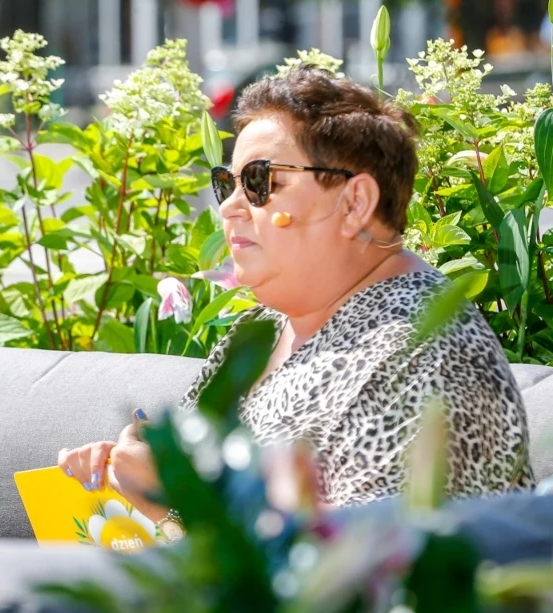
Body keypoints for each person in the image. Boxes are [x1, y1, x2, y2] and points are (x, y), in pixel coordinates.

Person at [59, 67, 534, 522]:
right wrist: (128, 469)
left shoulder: (426, 351)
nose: (229, 207)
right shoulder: (259, 332)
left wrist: (174, 502)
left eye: (260, 181)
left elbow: (374, 563)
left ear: (355, 202)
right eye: (227, 184)